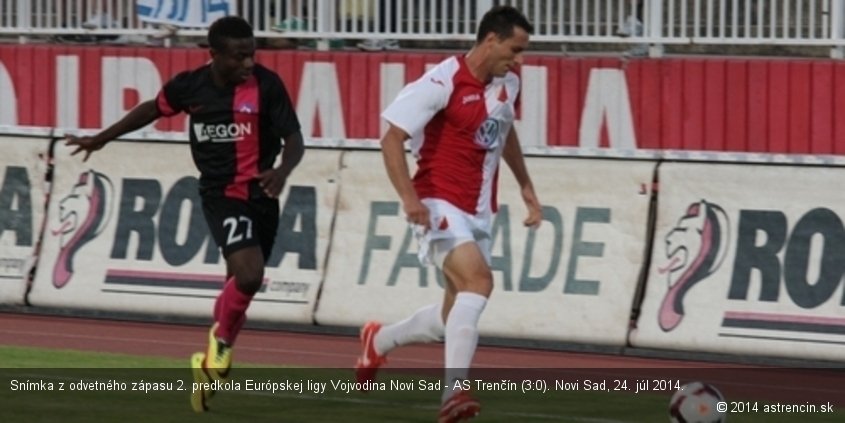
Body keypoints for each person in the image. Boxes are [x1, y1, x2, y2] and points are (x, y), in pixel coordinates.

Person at [64, 16, 304, 413]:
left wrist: (282, 170)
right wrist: (101, 138)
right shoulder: (190, 87)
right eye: (239, 57)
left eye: (251, 55)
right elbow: (152, 109)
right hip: (221, 194)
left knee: (239, 288)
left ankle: (212, 361)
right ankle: (221, 350)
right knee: (250, 274)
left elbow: (294, 138)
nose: (248, 64)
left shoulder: (267, 85)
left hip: (262, 193)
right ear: (214, 55)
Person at [354, 5, 542, 423]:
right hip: (437, 200)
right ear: (490, 40)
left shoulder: (508, 83)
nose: (520, 60)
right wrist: (409, 200)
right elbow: (391, 139)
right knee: (479, 281)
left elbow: (504, 131)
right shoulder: (441, 81)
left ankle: (378, 341)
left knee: (451, 315)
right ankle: (453, 394)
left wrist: (526, 186)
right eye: (515, 49)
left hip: (479, 209)